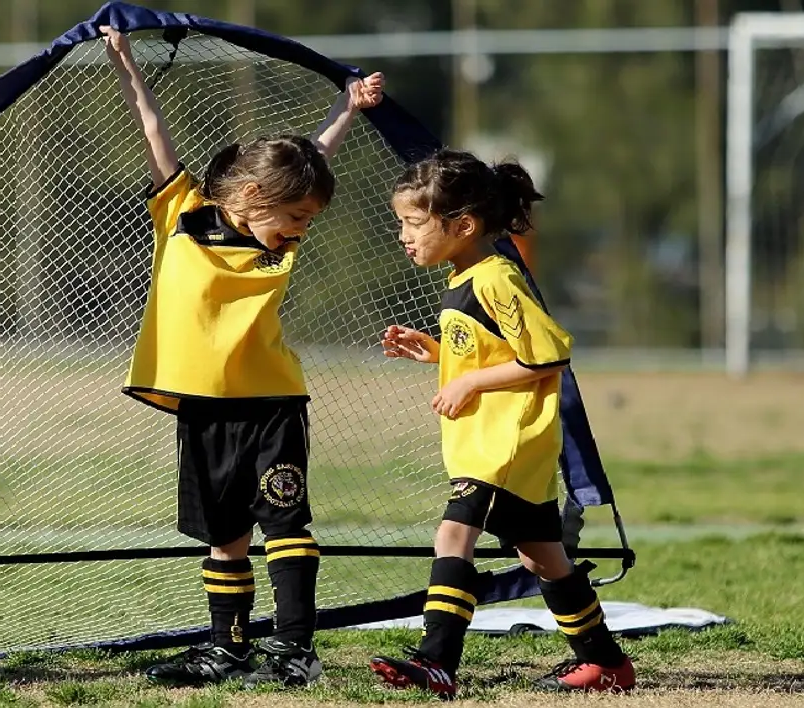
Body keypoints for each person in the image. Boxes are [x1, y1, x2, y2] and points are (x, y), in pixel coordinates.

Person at [101, 25, 383, 689]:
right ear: (255, 198)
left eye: (308, 219)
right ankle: (226, 650)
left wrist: (347, 107)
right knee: (224, 535)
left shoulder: (278, 240)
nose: (302, 230)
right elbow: (152, 128)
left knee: (284, 521)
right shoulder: (181, 212)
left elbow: (312, 155)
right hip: (202, 408)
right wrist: (125, 62)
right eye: (297, 216)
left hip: (270, 404)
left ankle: (295, 653)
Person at [368, 150, 635, 698]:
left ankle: (437, 661)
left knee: (453, 534)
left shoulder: (496, 278)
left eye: (413, 222)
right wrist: (438, 354)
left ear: (463, 226)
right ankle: (606, 663)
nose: (403, 235)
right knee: (543, 557)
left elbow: (548, 355)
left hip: (503, 445)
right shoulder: (466, 275)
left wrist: (467, 383)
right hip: (490, 444)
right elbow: (494, 352)